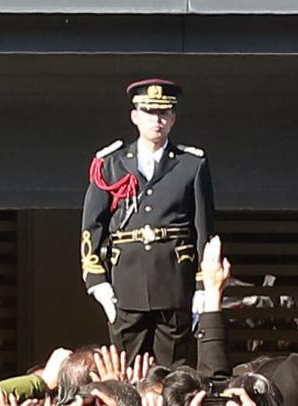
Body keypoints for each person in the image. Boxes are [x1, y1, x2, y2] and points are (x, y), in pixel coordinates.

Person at [81, 78, 215, 364]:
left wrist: (203, 287)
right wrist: (97, 281)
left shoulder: (192, 165)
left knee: (174, 373)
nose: (158, 119)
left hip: (175, 284)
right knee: (127, 374)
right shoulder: (111, 164)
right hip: (125, 285)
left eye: (164, 113)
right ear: (135, 116)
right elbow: (91, 228)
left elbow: (203, 231)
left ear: (174, 118)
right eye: (150, 112)